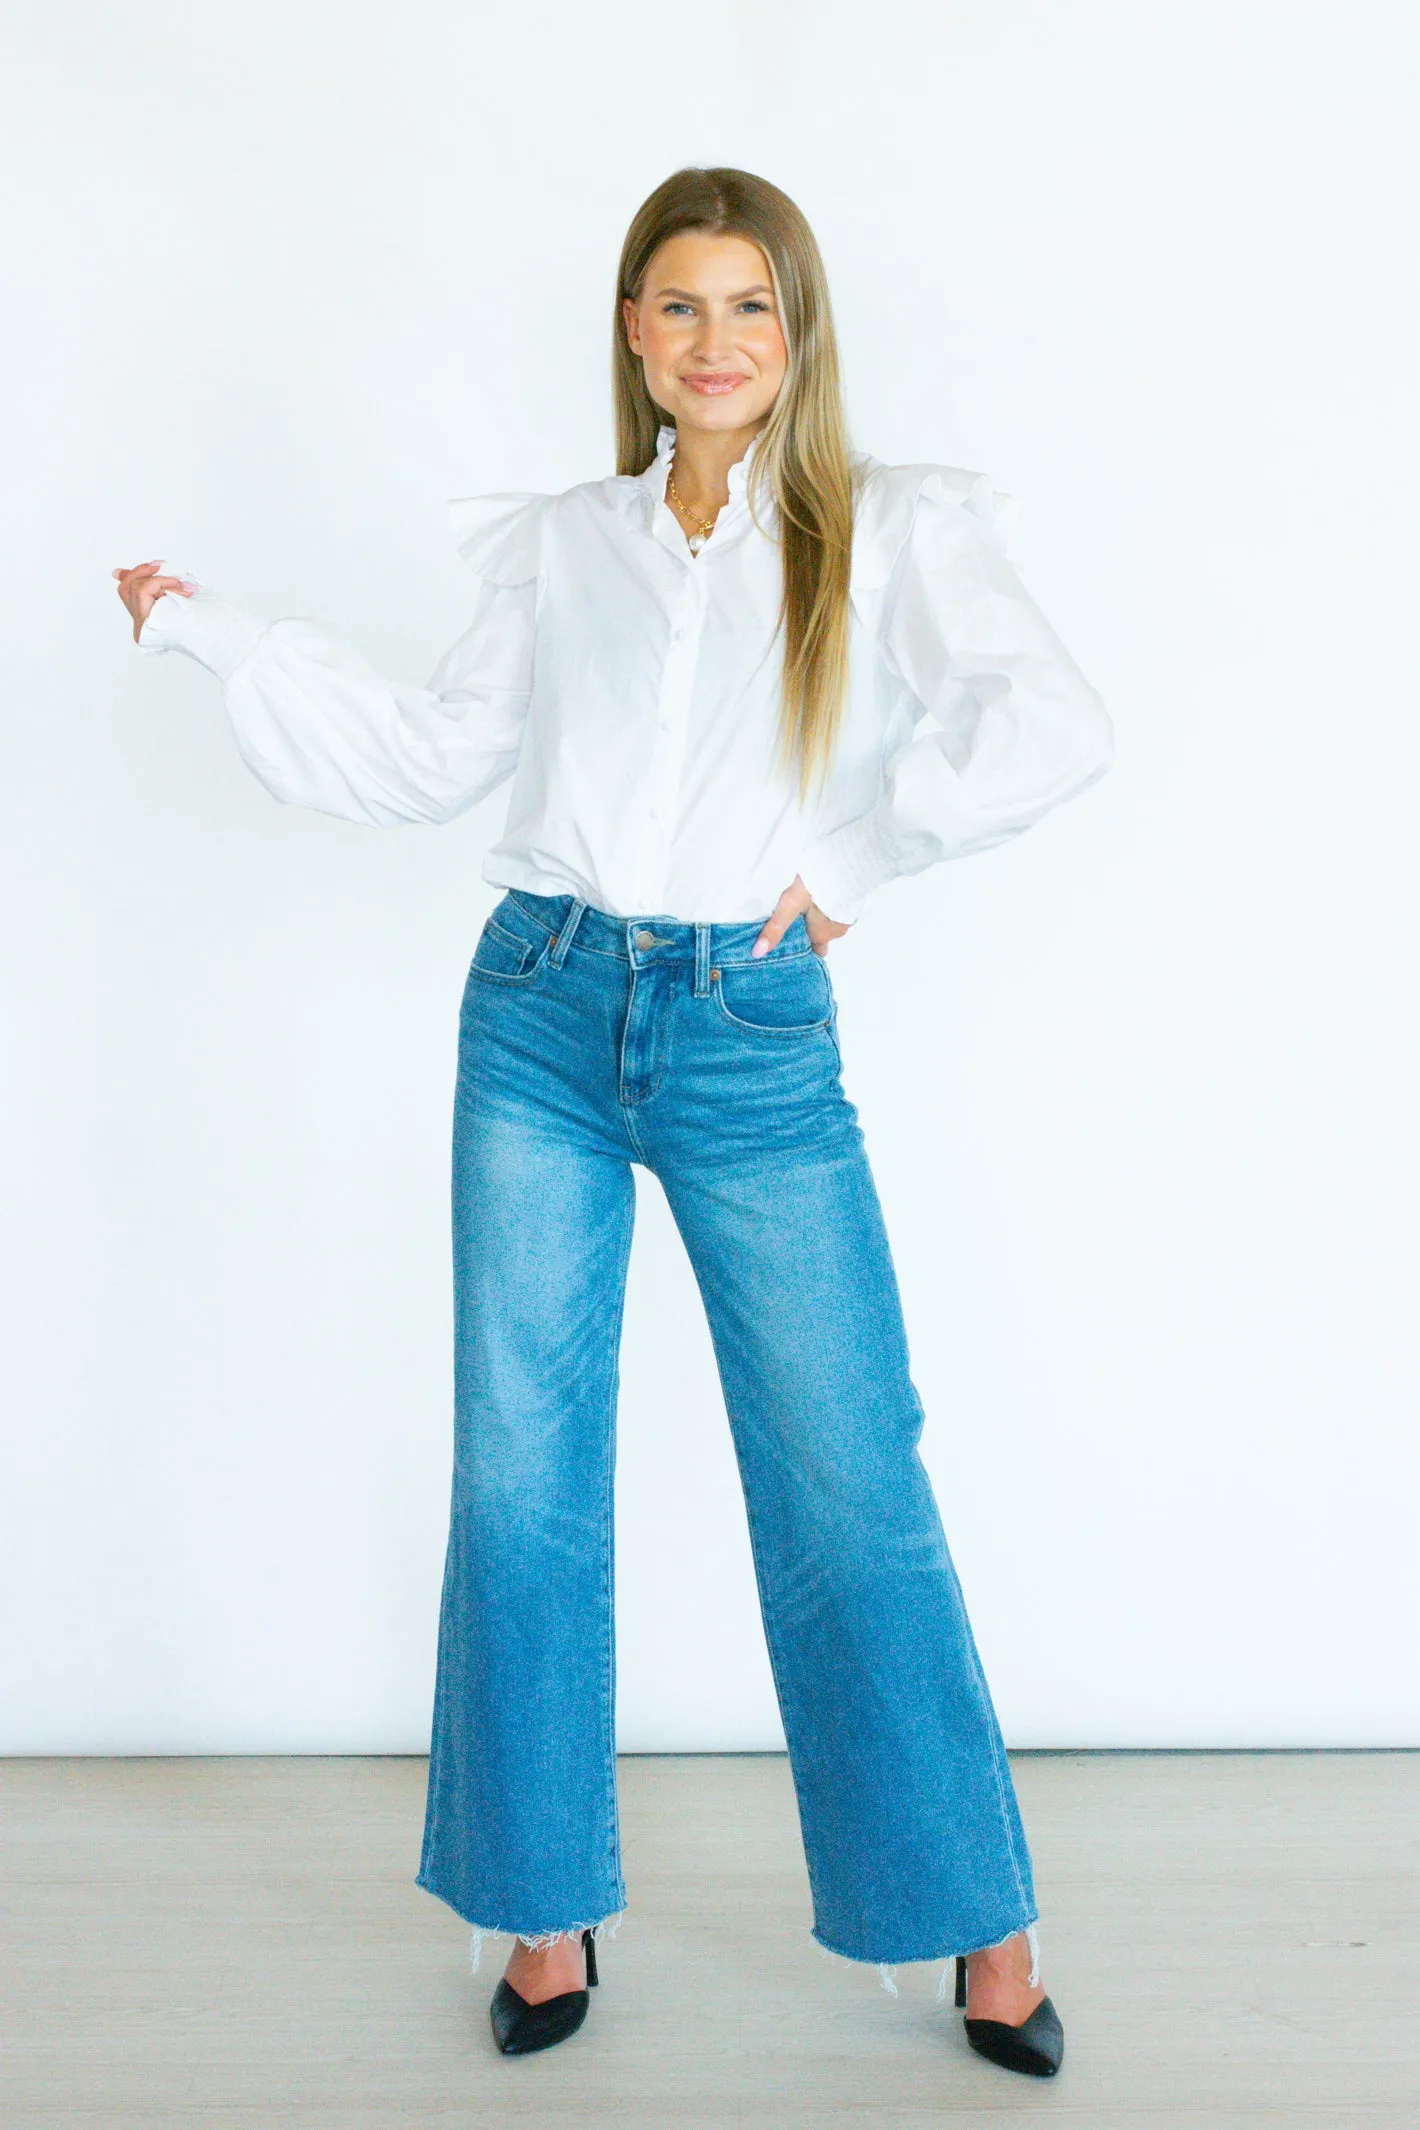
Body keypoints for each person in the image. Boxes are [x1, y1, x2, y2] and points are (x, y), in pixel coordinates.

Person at [115, 165, 1113, 2080]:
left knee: (847, 1474)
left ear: (798, 330)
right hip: (540, 1013)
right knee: (522, 1477)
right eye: (677, 305)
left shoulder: (889, 528)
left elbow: (1051, 721)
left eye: (751, 305)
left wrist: (851, 857)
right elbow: (434, 754)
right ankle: (541, 1906)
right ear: (633, 336)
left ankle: (980, 1917)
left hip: (750, 1032)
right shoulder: (570, 540)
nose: (715, 340)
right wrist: (220, 635)